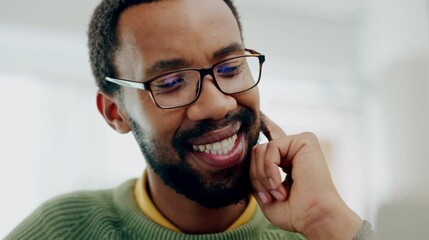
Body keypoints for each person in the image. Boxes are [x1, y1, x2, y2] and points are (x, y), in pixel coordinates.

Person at [7, 0, 374, 239]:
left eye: (230, 68)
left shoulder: (318, 230)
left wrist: (325, 220)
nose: (217, 105)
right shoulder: (64, 230)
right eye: (170, 82)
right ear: (116, 113)